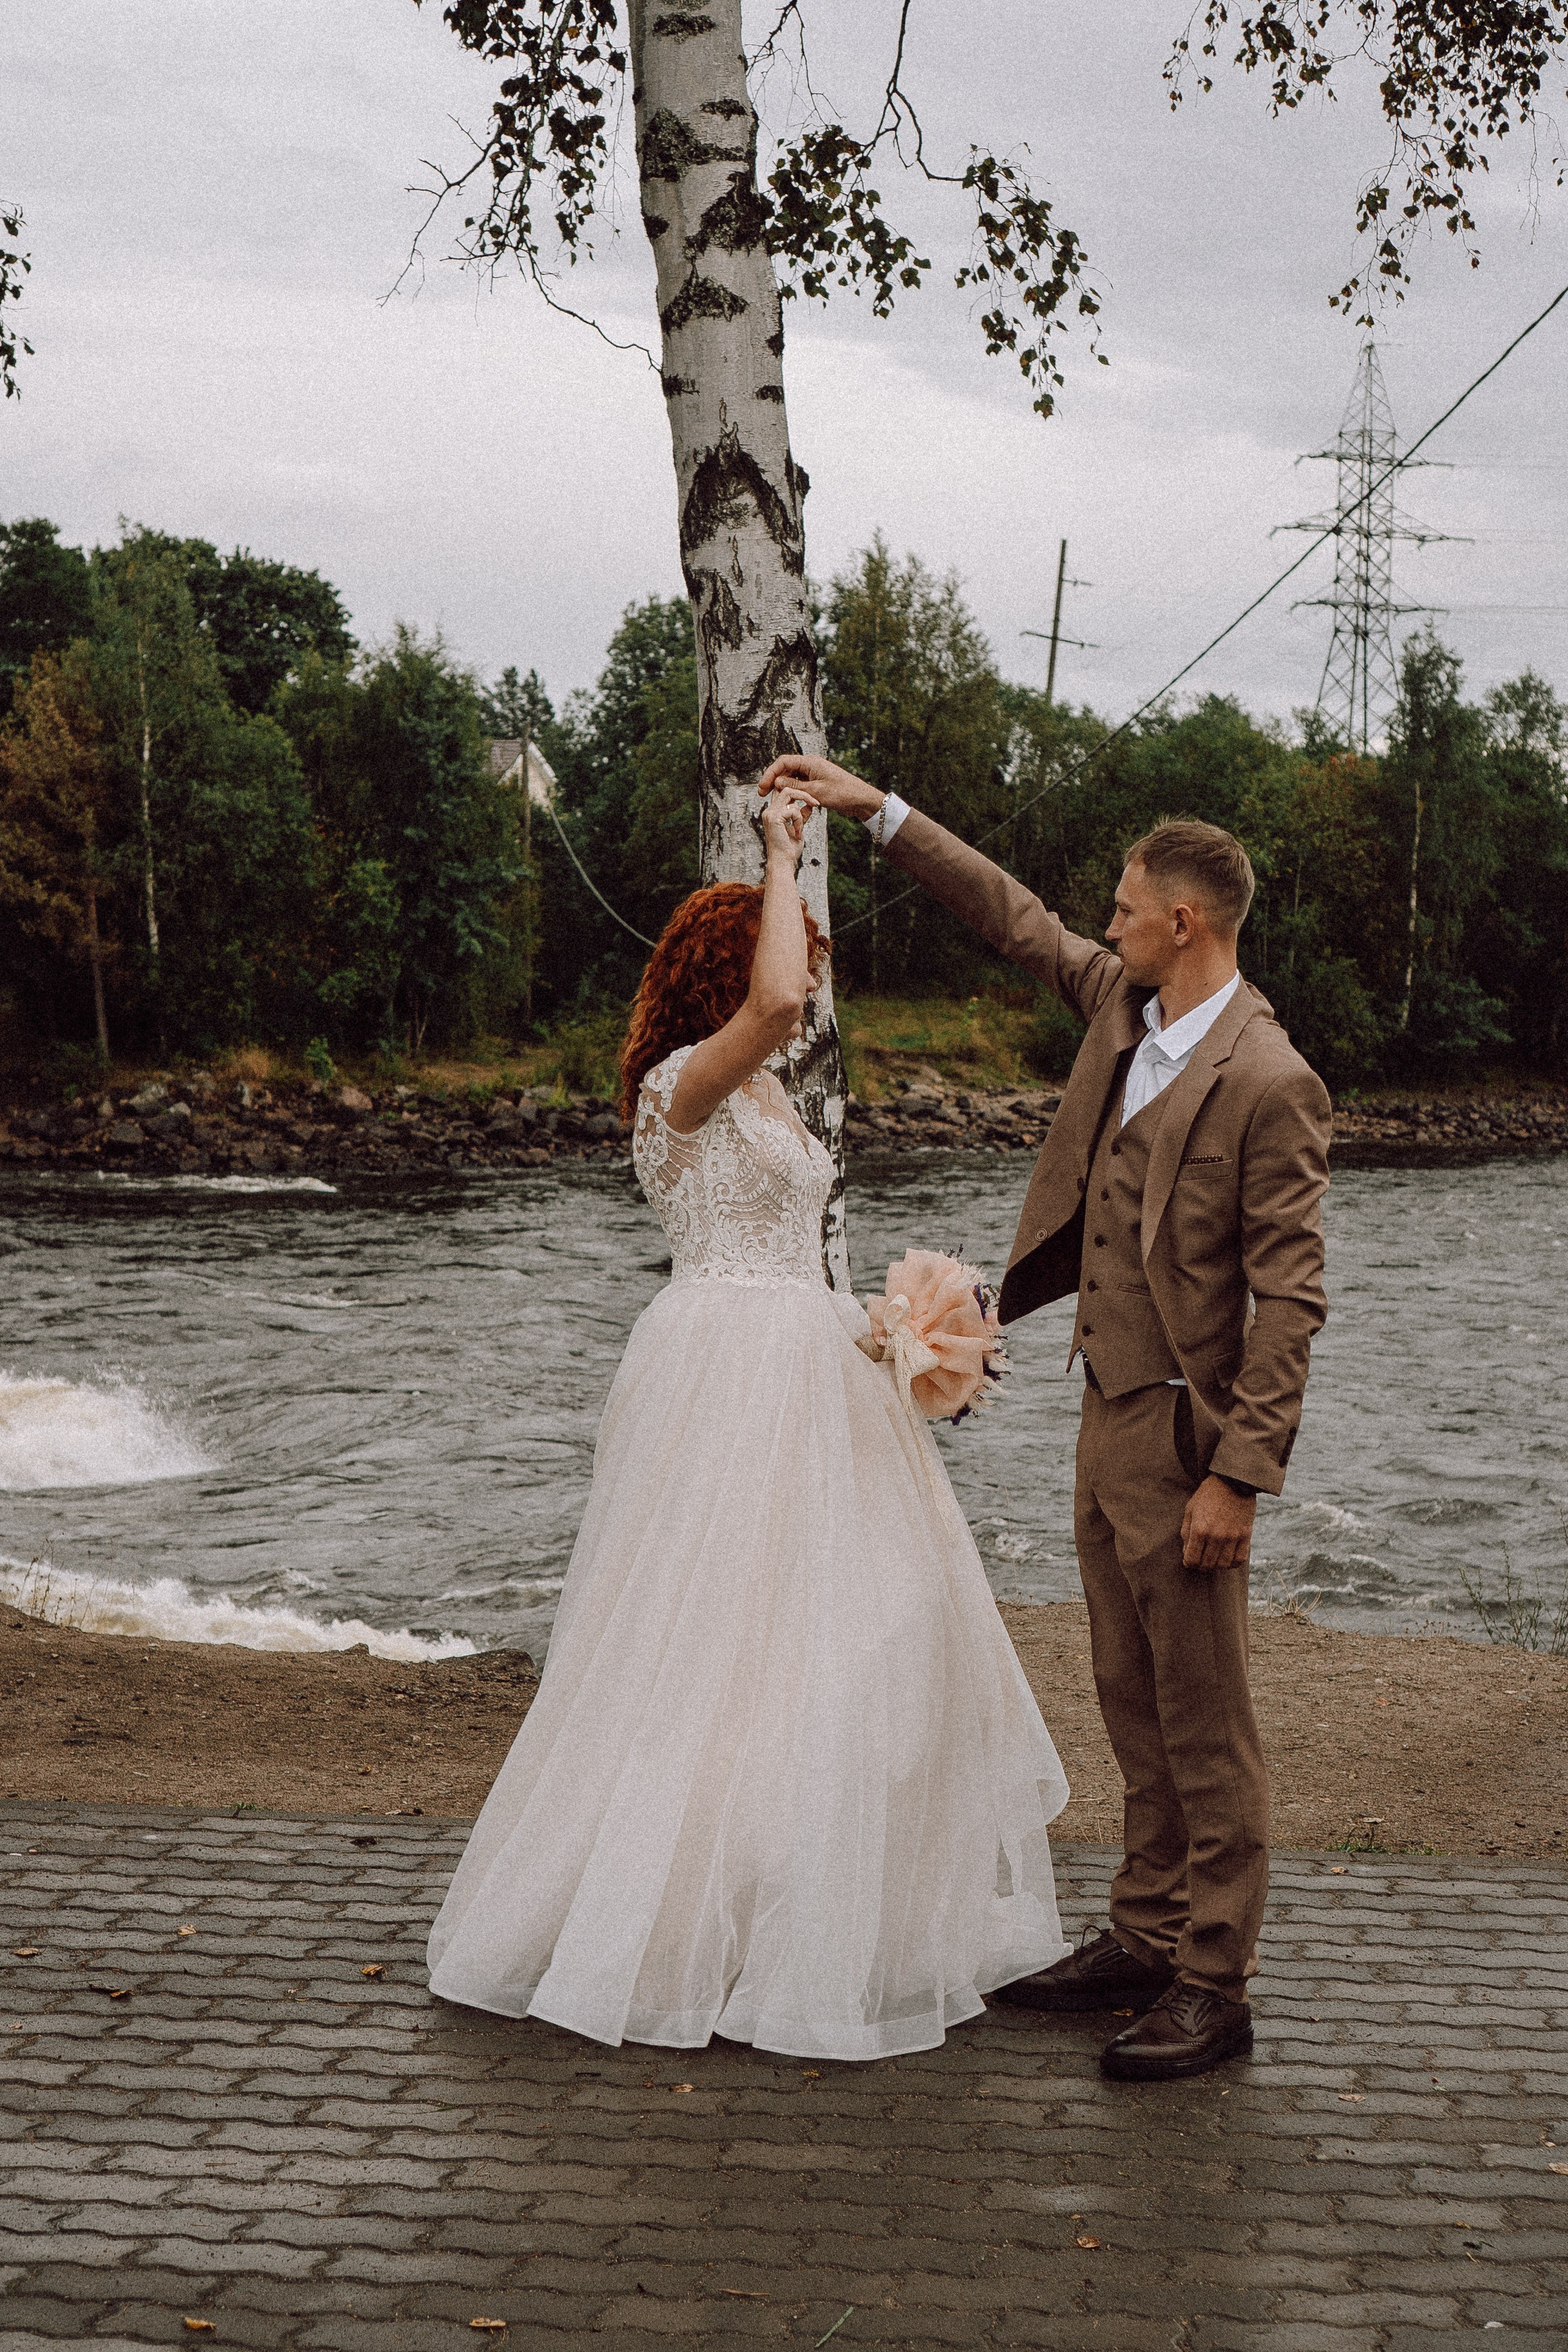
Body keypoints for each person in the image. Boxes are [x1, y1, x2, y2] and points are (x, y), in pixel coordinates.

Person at [427, 782, 1071, 2060]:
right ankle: (680, 1917)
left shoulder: (768, 1097)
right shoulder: (689, 1079)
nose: (814, 985)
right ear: (736, 964)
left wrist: (905, 1335)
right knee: (707, 1635)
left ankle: (798, 1894)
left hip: (810, 1359)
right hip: (725, 1364)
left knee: (827, 1636)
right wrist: (781, 849)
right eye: (807, 954)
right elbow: (774, 999)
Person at [760, 755, 1332, 2082]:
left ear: (1184, 921)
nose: (1110, 921)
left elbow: (1290, 1303)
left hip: (1187, 1436)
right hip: (1099, 1414)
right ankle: (1140, 1933)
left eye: (1128, 906)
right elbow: (1008, 912)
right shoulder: (1119, 1006)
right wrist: (873, 809)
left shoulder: (1268, 1078)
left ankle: (1213, 1980)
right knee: (1128, 1696)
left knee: (1206, 1719)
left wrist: (1235, 1480)